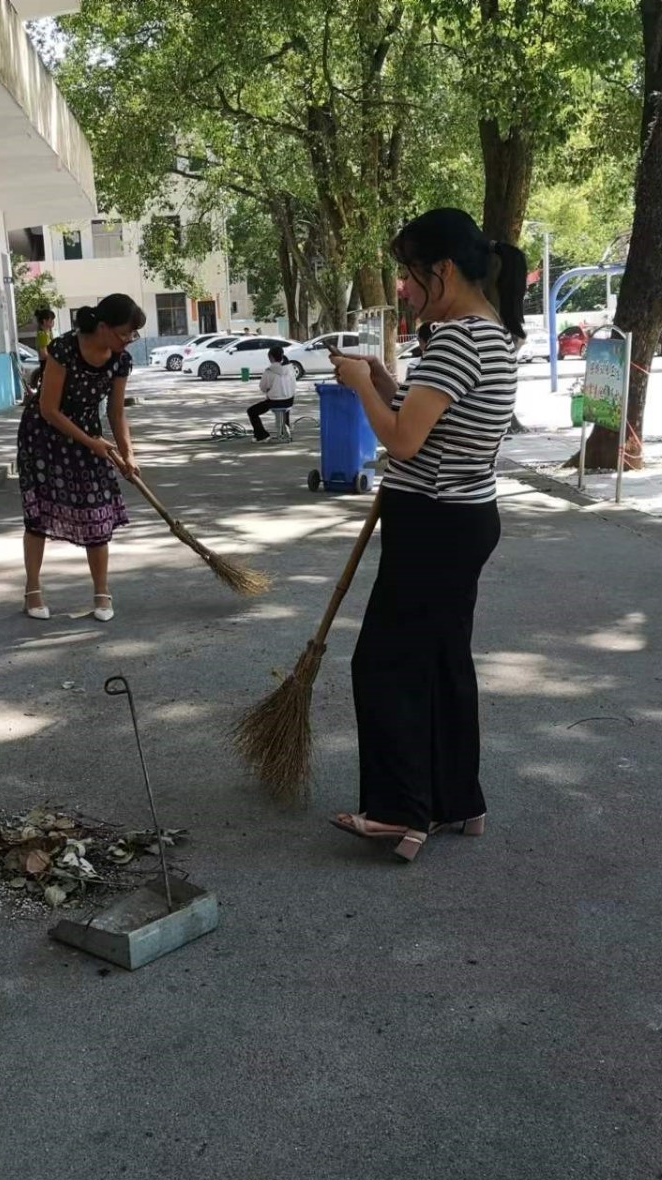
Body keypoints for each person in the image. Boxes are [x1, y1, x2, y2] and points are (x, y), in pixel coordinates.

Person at [326, 208, 525, 863]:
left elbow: (405, 440)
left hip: (434, 523)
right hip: (463, 517)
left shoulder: (456, 339)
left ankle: (396, 811)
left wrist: (359, 386)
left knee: (384, 665)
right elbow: (427, 415)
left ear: (442, 270)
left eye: (410, 276)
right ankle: (456, 801)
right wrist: (383, 379)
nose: (404, 289)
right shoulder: (489, 333)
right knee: (440, 663)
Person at [17, 293, 145, 624]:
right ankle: (33, 589)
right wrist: (92, 442)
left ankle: (102, 593)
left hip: (89, 433)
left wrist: (128, 455)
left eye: (133, 335)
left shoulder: (120, 360)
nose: (129, 341)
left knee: (97, 511)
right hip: (44, 435)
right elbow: (48, 409)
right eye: (125, 333)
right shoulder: (63, 349)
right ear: (103, 327)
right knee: (40, 514)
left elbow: (117, 413)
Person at [248, 346, 297, 441]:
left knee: (251, 411)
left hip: (275, 402)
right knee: (285, 405)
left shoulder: (269, 371)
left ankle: (261, 435)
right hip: (290, 401)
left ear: (271, 357)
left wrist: (270, 389)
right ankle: (284, 431)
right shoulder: (290, 368)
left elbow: (263, 387)